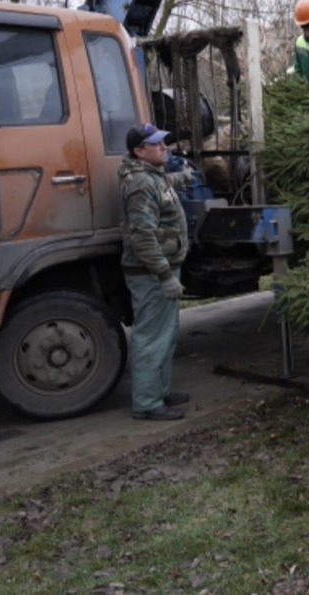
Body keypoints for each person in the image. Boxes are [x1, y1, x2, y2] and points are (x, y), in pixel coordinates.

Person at [119, 123, 192, 421]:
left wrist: (180, 178)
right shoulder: (140, 184)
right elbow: (142, 236)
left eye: (164, 142)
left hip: (163, 269)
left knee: (166, 333)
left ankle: (159, 391)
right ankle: (148, 402)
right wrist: (164, 276)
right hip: (151, 275)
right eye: (156, 144)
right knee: (152, 336)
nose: (164, 148)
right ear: (138, 151)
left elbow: (159, 188)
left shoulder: (151, 176)